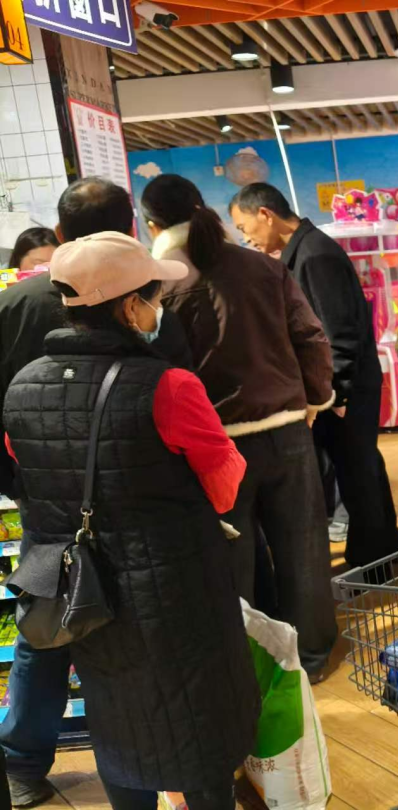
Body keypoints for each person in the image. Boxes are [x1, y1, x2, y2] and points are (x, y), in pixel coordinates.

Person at [3, 232, 260, 810]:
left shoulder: (23, 386)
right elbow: (223, 488)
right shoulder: (169, 385)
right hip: (174, 589)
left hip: (85, 595)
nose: (158, 307)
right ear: (129, 307)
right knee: (197, 718)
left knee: (116, 716)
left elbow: (33, 474)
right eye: (153, 295)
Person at [0, 178, 191, 808]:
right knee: (139, 639)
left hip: (46, 503)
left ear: (59, 234)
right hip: (142, 509)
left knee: (48, 624)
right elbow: (184, 397)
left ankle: (23, 762)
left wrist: (21, 483)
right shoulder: (147, 303)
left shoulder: (16, 303)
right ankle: (151, 765)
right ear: (130, 228)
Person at [142, 174, 339, 678]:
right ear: (200, 209)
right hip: (287, 429)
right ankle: (311, 657)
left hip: (216, 445)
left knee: (233, 559)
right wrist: (316, 398)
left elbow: (161, 371)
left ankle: (249, 665)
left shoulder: (160, 285)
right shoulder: (263, 266)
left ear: (152, 225)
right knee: (303, 547)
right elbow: (311, 336)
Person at [229, 184, 398, 566]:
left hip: (345, 391)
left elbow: (339, 332)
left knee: (359, 479)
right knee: (363, 472)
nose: (246, 238)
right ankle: (384, 552)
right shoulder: (303, 251)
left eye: (244, 227)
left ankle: (373, 563)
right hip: (341, 387)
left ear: (265, 214)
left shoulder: (314, 256)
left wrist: (337, 394)